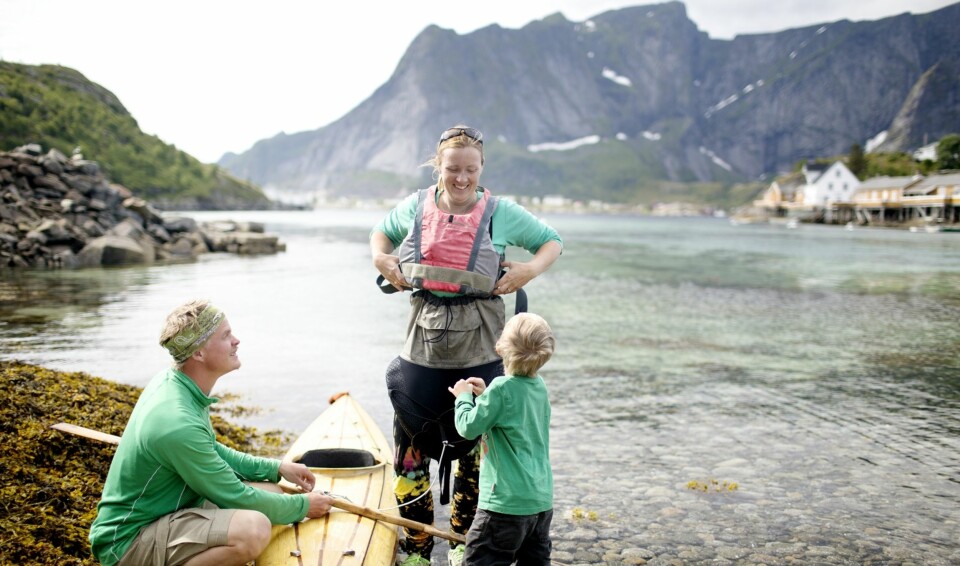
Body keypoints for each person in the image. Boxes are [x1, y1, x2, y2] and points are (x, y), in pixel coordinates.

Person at [370, 125, 563, 565]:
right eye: (452, 169)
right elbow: (379, 234)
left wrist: (529, 271)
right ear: (438, 166)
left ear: (482, 168)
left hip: (481, 350)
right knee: (409, 452)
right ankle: (417, 550)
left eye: (470, 170)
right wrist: (382, 258)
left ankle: (461, 546)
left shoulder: (501, 213)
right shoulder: (414, 207)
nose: (461, 178)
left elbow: (553, 242)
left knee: (478, 458)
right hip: (421, 349)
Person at [88, 300, 334, 566]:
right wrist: (303, 507)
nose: (237, 341)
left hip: (169, 512)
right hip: (128, 542)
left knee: (272, 491)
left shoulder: (177, 384)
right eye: (226, 336)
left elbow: (211, 451)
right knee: (253, 529)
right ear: (199, 354)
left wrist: (276, 467)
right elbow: (234, 495)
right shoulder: (176, 422)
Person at [449, 312, 556, 565]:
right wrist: (487, 398)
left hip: (504, 505)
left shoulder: (500, 388)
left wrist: (464, 397)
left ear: (500, 347)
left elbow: (467, 427)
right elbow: (517, 420)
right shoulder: (539, 387)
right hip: (540, 502)